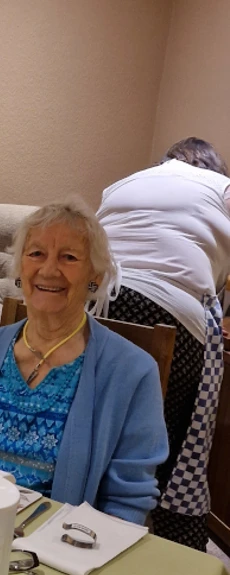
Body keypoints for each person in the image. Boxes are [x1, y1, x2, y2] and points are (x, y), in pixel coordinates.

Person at [0, 200, 168, 525]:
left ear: (94, 275)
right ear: (19, 267)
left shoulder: (132, 372)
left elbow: (128, 498)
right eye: (36, 254)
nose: (49, 269)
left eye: (68, 257)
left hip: (63, 544)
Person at [96, 137, 230, 548]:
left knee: (100, 418)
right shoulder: (222, 189)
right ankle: (167, 533)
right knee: (167, 437)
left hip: (99, 302)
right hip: (170, 311)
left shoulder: (123, 183)